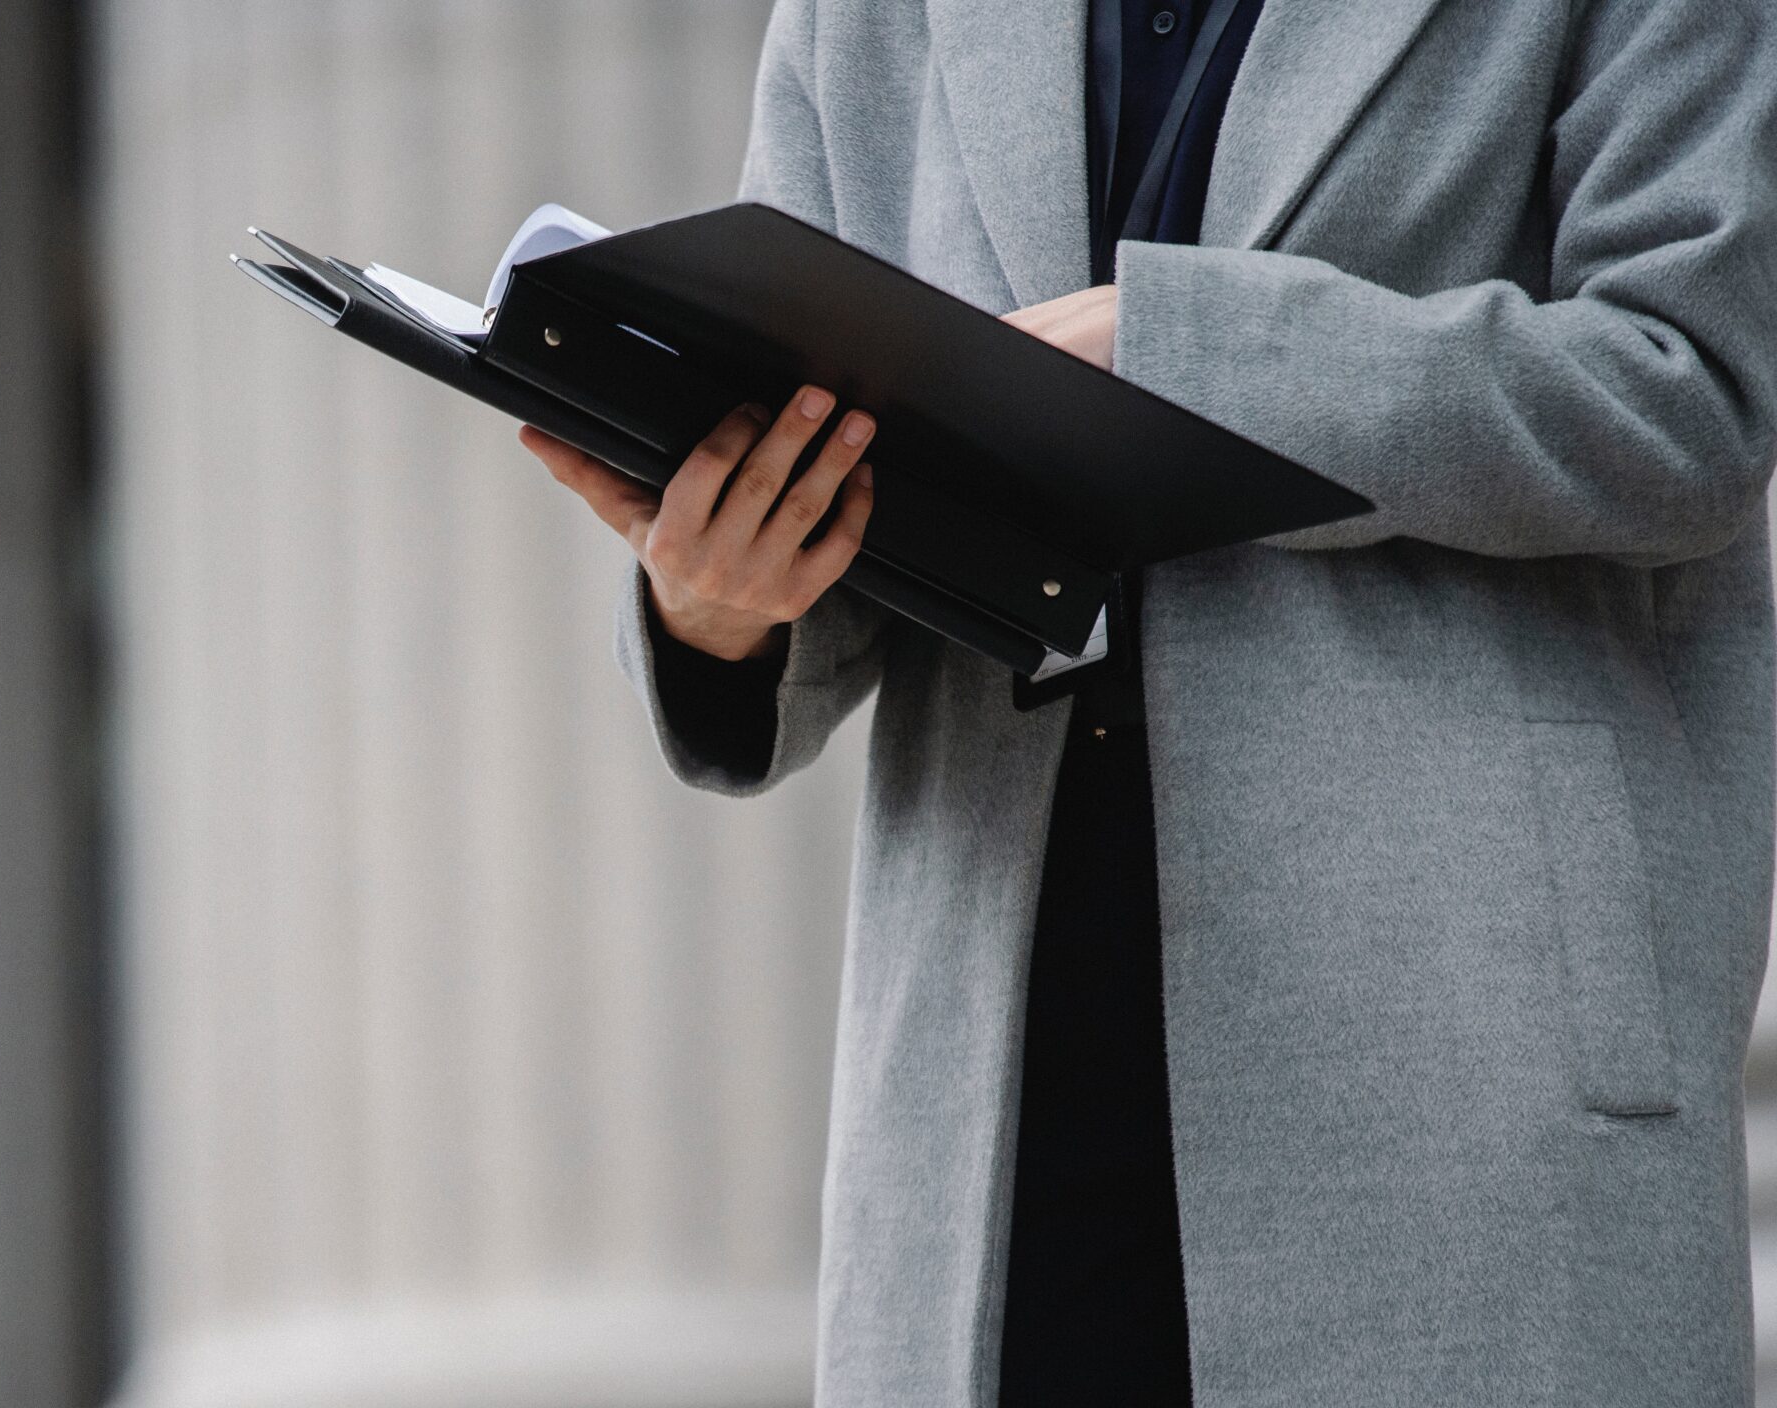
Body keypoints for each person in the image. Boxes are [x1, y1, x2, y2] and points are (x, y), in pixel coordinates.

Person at [518, 1, 1777, 1404]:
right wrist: (717, 601)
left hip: (1455, 1054)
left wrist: (1200, 354)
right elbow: (840, 473)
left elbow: (1693, 395)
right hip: (998, 1086)